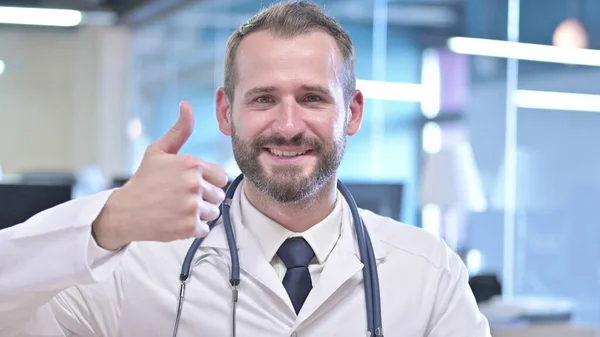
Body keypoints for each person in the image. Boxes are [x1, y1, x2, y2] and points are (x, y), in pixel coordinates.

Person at [0, 2, 491, 336]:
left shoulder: (430, 275)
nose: (288, 124)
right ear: (225, 112)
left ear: (354, 112)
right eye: (263, 99)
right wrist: (106, 223)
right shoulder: (138, 267)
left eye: (313, 98)